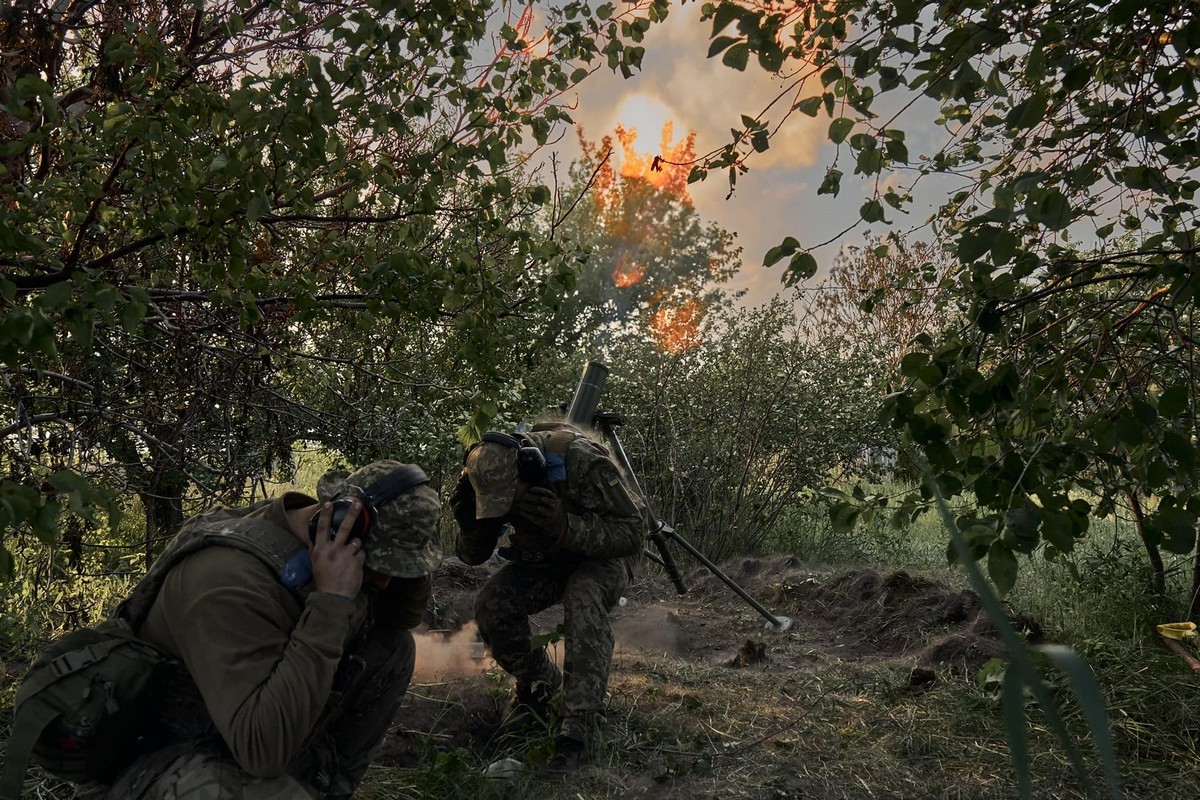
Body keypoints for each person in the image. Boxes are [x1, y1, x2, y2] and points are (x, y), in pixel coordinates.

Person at [80, 460, 442, 800]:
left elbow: (401, 619)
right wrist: (331, 603)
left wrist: (406, 568)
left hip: (236, 728)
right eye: (381, 565)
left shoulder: (313, 534)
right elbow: (261, 752)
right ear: (335, 521)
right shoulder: (228, 582)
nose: (384, 581)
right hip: (159, 759)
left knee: (392, 648)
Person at [450, 424, 647, 776]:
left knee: (583, 596)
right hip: (550, 554)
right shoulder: (487, 480)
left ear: (531, 469)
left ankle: (578, 731)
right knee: (494, 604)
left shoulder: (581, 462)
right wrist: (469, 526)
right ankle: (544, 689)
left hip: (605, 552)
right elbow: (474, 557)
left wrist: (565, 525)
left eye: (511, 500)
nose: (505, 510)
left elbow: (632, 532)